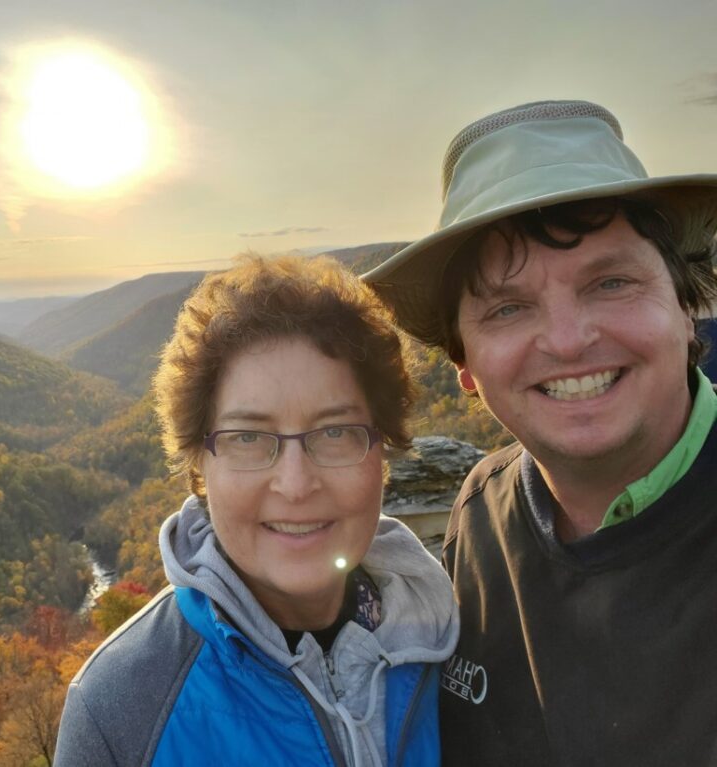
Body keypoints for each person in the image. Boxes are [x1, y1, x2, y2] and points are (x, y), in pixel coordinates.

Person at [364, 100, 717, 766]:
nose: (566, 339)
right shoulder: (480, 514)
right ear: (464, 364)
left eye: (611, 281)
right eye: (507, 307)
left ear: (687, 302)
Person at [54, 255, 459, 767]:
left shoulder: (459, 651)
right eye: (248, 437)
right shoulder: (123, 709)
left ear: (383, 453)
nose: (295, 484)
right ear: (199, 464)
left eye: (335, 432)